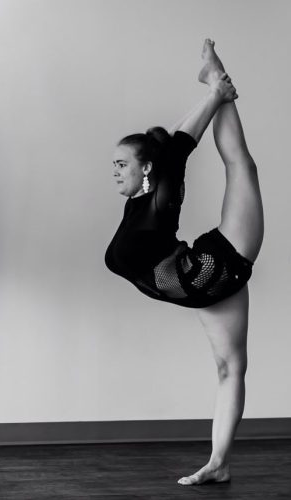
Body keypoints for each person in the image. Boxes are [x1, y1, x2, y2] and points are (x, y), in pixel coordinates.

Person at [105, 40, 264, 485]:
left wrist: (214, 94)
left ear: (146, 171)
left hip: (220, 262)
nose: (114, 171)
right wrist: (208, 94)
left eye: (121, 164)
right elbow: (171, 144)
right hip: (202, 284)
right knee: (229, 369)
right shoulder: (142, 198)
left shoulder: (156, 196)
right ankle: (220, 462)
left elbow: (175, 148)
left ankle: (219, 82)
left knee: (241, 166)